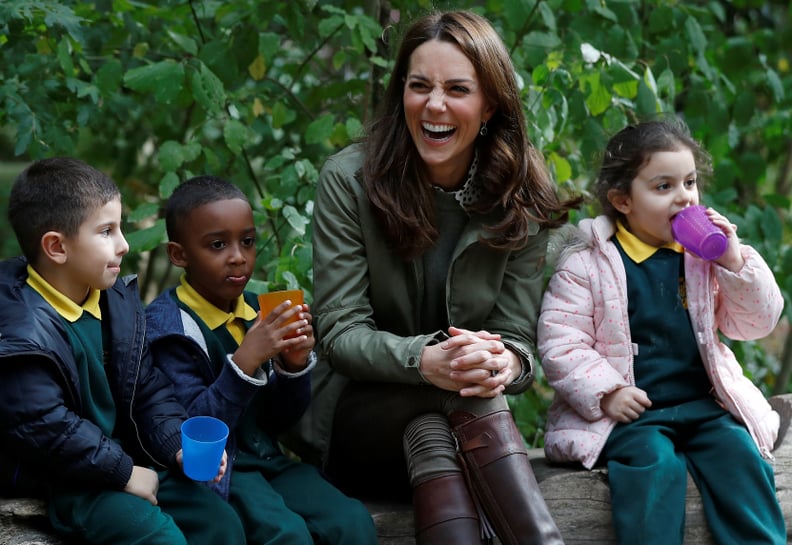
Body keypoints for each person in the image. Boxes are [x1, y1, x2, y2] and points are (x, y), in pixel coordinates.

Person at [284, 10, 580, 545]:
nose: (434, 105)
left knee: (437, 430)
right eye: (419, 86)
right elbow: (341, 336)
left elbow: (518, 343)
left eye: (457, 89)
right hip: (355, 420)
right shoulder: (350, 180)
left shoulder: (521, 197)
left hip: (454, 431)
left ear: (489, 103)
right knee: (462, 396)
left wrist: (504, 361)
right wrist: (427, 360)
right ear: (402, 93)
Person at [537, 118, 787, 544]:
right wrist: (607, 392)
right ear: (622, 201)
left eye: (689, 183)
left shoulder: (704, 260)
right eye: (663, 186)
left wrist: (733, 262)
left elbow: (755, 322)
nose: (684, 197)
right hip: (635, 414)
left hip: (701, 405)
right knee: (653, 467)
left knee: (740, 456)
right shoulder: (587, 263)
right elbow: (561, 341)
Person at [0, 158, 246, 545]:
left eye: (121, 228)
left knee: (219, 522)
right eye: (106, 231)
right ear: (56, 247)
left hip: (122, 460)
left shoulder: (115, 302)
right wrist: (125, 473)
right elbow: (47, 428)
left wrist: (177, 446)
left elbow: (147, 389)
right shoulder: (20, 331)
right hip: (67, 478)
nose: (124, 245)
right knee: (159, 537)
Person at [144, 175, 378, 545]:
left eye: (248, 242)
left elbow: (278, 421)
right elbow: (192, 433)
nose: (238, 256)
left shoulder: (258, 311)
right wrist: (244, 362)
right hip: (222, 472)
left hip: (268, 460)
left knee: (351, 522)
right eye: (217, 245)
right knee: (285, 535)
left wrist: (293, 366)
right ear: (179, 254)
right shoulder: (169, 327)